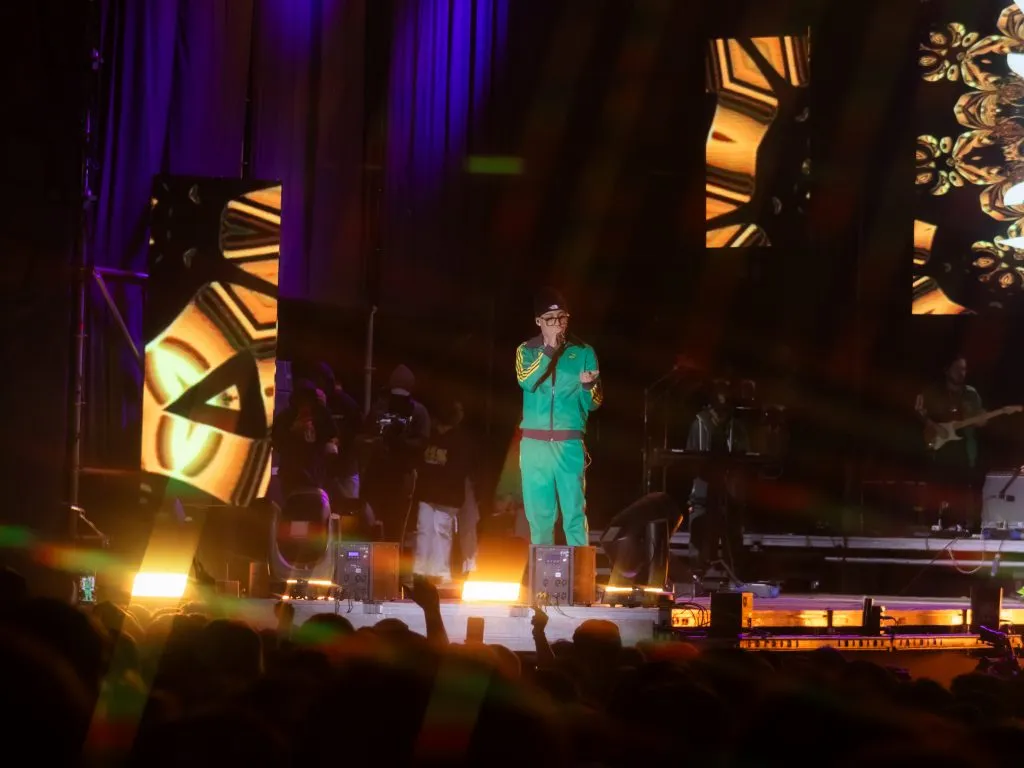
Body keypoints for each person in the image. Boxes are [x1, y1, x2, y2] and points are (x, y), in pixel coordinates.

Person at [516, 288, 602, 547]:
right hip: (534, 446)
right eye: (550, 318)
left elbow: (595, 403)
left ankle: (579, 571)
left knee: (574, 515)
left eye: (562, 317)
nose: (557, 324)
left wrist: (588, 387)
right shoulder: (526, 350)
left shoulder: (583, 352)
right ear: (538, 321)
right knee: (540, 518)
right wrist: (549, 350)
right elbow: (526, 381)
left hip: (568, 444)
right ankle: (542, 572)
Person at [686, 379, 750, 577]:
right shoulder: (700, 423)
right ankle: (698, 569)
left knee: (732, 529)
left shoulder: (735, 426)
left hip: (729, 489)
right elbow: (690, 457)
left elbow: (745, 456)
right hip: (704, 488)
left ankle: (733, 570)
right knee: (701, 526)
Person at [362, 364, 431, 540]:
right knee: (376, 519)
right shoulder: (381, 408)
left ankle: (391, 551)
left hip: (402, 473)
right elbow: (367, 434)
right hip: (379, 472)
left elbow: (422, 443)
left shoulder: (418, 411)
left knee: (396, 520)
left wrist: (400, 442)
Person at [914, 356, 983, 529]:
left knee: (962, 490)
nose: (961, 373)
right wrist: (935, 427)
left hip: (963, 449)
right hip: (939, 450)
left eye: (964, 369)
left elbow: (979, 418)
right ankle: (933, 525)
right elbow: (921, 413)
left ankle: (963, 526)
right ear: (946, 370)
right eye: (957, 369)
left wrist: (981, 419)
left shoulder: (971, 393)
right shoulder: (933, 392)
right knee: (937, 489)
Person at [413, 399, 473, 584]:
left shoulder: (460, 440)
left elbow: (461, 469)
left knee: (441, 530)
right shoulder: (430, 436)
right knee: (424, 529)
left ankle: (440, 571)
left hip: (448, 496)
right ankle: (420, 569)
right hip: (427, 493)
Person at [271, 379, 338, 498]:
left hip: (316, 471)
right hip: (293, 472)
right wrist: (293, 432)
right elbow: (277, 441)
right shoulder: (286, 416)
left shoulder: (321, 413)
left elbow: (332, 436)